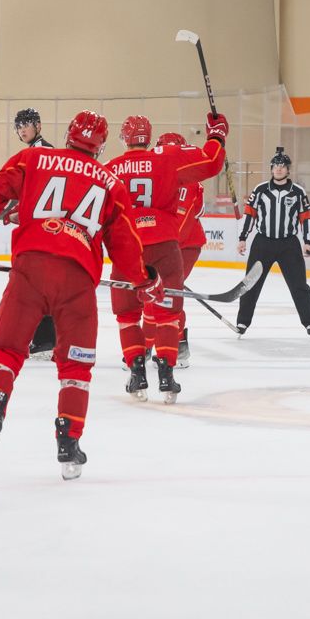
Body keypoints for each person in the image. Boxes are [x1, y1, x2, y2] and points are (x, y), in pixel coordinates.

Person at [0, 110, 158, 479]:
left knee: (6, 348)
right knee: (76, 365)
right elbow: (124, 243)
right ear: (100, 146)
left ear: (68, 135)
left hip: (30, 267)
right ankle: (69, 441)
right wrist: (144, 280)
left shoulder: (34, 158)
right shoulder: (110, 182)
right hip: (77, 279)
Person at [105, 112, 227, 403]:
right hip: (164, 246)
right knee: (168, 314)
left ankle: (137, 373)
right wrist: (217, 134)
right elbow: (211, 162)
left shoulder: (110, 169)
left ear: (124, 138)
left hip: (127, 248)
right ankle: (167, 376)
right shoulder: (166, 158)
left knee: (128, 315)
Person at [235, 148, 310, 336]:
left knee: (299, 285)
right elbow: (250, 215)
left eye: (283, 166)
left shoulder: (298, 192)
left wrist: (307, 241)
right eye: (276, 166)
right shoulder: (260, 190)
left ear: (288, 170)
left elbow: (306, 218)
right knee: (251, 283)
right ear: (271, 169)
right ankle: (242, 322)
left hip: (289, 245)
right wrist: (242, 238)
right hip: (263, 244)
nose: (279, 169)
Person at [10, 108, 58, 361]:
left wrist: (22, 212)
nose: (22, 130)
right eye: (18, 127)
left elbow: (42, 194)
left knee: (40, 282)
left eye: (26, 125)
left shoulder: (41, 151)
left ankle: (46, 339)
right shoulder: (36, 150)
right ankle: (45, 338)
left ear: (38, 126)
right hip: (41, 224)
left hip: (44, 227)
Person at [157, 131, 206, 368]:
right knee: (158, 293)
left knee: (168, 293)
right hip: (166, 245)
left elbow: (184, 220)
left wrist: (168, 255)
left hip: (183, 247)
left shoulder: (190, 183)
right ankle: (154, 345)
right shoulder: (159, 177)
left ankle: (177, 346)